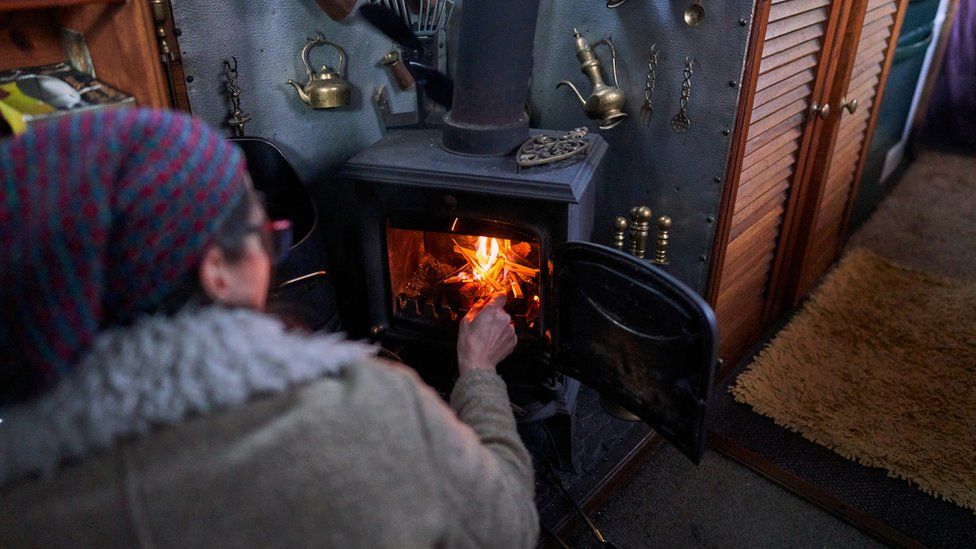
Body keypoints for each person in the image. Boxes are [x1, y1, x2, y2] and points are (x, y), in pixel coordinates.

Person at [0, 108, 539, 548]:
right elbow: (509, 524)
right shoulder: (365, 417)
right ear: (216, 271)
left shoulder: (23, 504)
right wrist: (478, 372)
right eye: (263, 231)